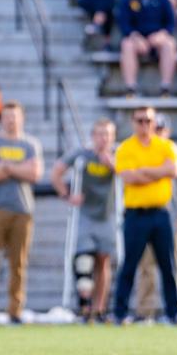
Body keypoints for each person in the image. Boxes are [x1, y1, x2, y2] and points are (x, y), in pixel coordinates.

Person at [111, 105, 177, 324]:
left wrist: (144, 171)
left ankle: (173, 313)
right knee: (129, 266)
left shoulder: (166, 146)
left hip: (160, 213)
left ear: (154, 123)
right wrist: (157, 172)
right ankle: (120, 313)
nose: (144, 125)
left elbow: (173, 170)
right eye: (140, 121)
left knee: (167, 266)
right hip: (136, 214)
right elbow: (130, 177)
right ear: (133, 123)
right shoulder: (125, 148)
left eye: (148, 121)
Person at [0, 101, 43, 325]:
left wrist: (6, 166)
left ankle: (15, 310)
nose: (11, 120)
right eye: (7, 116)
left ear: (21, 119)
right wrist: (19, 168)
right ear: (2, 119)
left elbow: (34, 174)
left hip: (22, 210)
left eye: (14, 117)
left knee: (18, 263)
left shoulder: (30, 144)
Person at [50, 118, 117, 321]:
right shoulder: (82, 155)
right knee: (84, 260)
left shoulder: (117, 156)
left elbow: (128, 175)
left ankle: (100, 308)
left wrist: (112, 164)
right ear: (92, 136)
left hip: (107, 214)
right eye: (99, 134)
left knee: (103, 262)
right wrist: (67, 195)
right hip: (85, 216)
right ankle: (85, 306)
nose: (103, 139)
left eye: (107, 134)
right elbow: (56, 172)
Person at [134, 113, 177, 319]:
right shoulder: (145, 152)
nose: (158, 134)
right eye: (155, 129)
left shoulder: (175, 155)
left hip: (170, 216)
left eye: (161, 130)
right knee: (146, 266)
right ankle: (145, 311)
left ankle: (174, 309)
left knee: (172, 265)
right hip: (146, 214)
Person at [117, 0, 177, 97]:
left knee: (170, 44)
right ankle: (131, 87)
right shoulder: (128, 0)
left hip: (157, 39)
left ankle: (165, 87)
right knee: (126, 44)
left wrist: (162, 34)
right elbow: (124, 24)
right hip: (137, 39)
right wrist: (135, 36)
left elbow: (171, 23)